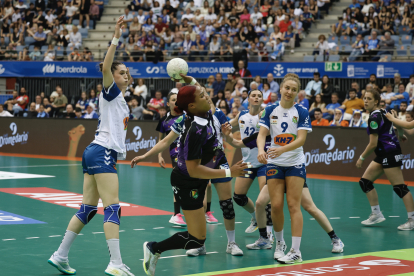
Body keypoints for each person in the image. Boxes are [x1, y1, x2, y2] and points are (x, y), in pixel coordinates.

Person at [131, 75, 249, 276]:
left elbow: (199, 94)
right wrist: (231, 172)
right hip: (187, 181)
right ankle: (154, 248)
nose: (207, 95)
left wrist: (190, 79)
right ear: (193, 105)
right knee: (196, 239)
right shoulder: (195, 130)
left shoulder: (202, 112)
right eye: (203, 95)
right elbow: (193, 169)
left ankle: (156, 248)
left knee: (198, 237)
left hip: (199, 177)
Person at [48, 16, 135, 276]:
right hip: (102, 151)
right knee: (112, 207)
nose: (126, 75)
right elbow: (106, 66)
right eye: (122, 72)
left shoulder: (119, 99)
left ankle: (60, 255)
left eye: (127, 72)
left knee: (88, 208)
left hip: (93, 151)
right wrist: (116, 37)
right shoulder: (111, 91)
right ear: (112, 76)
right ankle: (116, 263)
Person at [257, 73, 312, 263]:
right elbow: (262, 135)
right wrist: (260, 150)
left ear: (297, 93)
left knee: (293, 206)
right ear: (280, 89)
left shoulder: (302, 111)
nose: (289, 92)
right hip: (274, 164)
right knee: (276, 205)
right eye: (287, 88)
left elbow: (302, 139)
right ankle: (279, 244)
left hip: (295, 163)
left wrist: (280, 150)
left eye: (294, 89)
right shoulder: (269, 110)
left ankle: (296, 251)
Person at [356, 90, 414, 231]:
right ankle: (376, 214)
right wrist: (399, 135)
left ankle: (412, 220)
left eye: (369, 98)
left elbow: (373, 144)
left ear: (376, 101)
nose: (366, 101)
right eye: (364, 98)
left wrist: (361, 157)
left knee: (400, 187)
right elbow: (394, 127)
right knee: (365, 182)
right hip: (384, 154)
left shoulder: (374, 118)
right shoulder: (384, 111)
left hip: (389, 153)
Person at [225, 90, 272, 236]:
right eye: (254, 95)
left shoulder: (265, 115)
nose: (256, 98)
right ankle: (255, 218)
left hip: (264, 161)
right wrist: (223, 130)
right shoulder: (242, 116)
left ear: (262, 100)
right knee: (239, 196)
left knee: (265, 200)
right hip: (248, 162)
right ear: (248, 99)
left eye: (259, 96)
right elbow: (228, 126)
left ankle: (269, 233)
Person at [155, 91, 187, 227]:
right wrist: (159, 155)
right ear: (168, 103)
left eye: (178, 99)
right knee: (180, 181)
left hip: (190, 153)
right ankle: (176, 214)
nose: (176, 102)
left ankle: (201, 211)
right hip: (176, 154)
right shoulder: (164, 120)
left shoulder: (186, 117)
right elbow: (161, 140)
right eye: (173, 100)